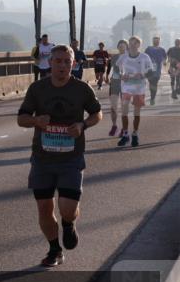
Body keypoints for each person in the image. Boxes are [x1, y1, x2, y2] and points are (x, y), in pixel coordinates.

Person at [16, 45, 102, 268]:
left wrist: (82, 125)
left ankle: (68, 224)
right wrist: (36, 121)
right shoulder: (37, 88)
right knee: (44, 207)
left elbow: (97, 113)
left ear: (73, 64)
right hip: (42, 159)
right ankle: (54, 249)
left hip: (71, 158)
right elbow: (21, 118)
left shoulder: (82, 89)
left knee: (67, 208)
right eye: (58, 61)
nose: (63, 65)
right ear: (50, 63)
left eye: (67, 61)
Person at [116, 36, 155, 148]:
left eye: (135, 43)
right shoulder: (123, 57)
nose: (132, 45)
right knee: (124, 112)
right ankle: (125, 135)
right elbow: (116, 71)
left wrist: (142, 74)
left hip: (139, 88)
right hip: (126, 88)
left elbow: (151, 72)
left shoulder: (145, 57)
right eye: (131, 43)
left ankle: (135, 134)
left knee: (136, 113)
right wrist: (121, 75)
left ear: (139, 45)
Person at [144, 36, 168, 106]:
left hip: (157, 70)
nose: (156, 42)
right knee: (151, 83)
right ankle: (152, 96)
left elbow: (165, 57)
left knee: (155, 83)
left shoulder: (162, 49)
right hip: (149, 70)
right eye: (155, 40)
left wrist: (164, 62)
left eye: (157, 40)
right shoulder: (149, 49)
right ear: (152, 41)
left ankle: (152, 98)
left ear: (159, 41)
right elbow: (144, 57)